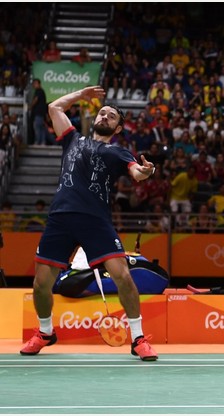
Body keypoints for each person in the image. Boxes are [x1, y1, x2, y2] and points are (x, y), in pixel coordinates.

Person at [20, 86, 158, 361]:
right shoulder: (72, 139)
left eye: (111, 116)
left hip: (96, 221)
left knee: (123, 277)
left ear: (118, 128)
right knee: (40, 284)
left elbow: (137, 174)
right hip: (61, 217)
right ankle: (46, 332)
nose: (105, 116)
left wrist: (146, 171)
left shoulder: (118, 153)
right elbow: (54, 108)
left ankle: (138, 338)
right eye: (102, 112)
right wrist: (81, 95)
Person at [30, 79, 48, 146]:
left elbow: (36, 100)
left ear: (39, 84)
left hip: (38, 113)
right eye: (33, 83)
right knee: (41, 128)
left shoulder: (39, 91)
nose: (34, 85)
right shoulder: (42, 91)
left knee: (37, 127)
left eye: (35, 83)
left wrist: (30, 106)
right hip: (41, 114)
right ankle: (43, 142)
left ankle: (37, 142)